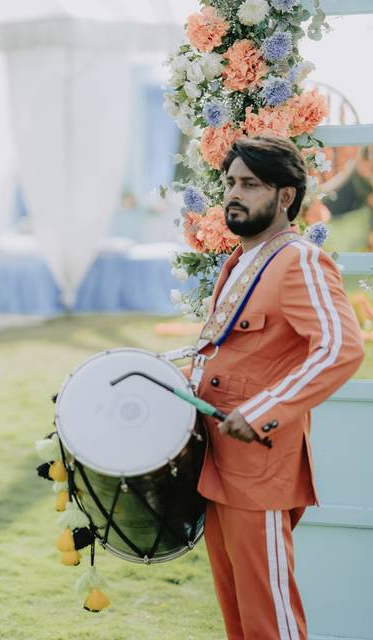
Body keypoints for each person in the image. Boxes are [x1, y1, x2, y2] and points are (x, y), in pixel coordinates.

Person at [189, 135, 364, 639]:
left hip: (259, 468)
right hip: (218, 462)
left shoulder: (299, 261)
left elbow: (339, 348)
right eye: (229, 183)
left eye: (250, 184)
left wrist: (265, 409)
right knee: (239, 620)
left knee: (271, 622)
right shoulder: (239, 262)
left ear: (285, 197)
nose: (234, 194)